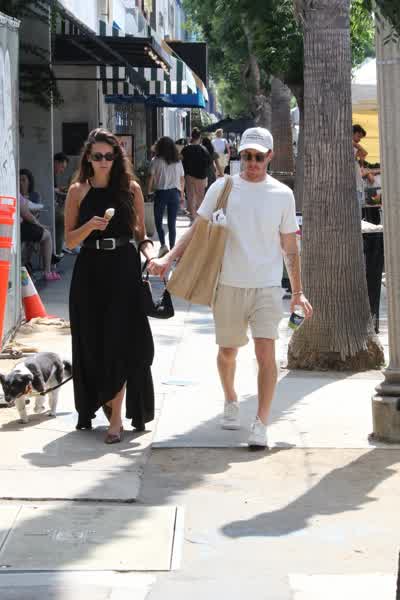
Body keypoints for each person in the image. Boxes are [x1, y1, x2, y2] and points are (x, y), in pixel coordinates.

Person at [150, 127, 313, 449]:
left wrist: (297, 292)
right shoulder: (223, 187)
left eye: (258, 157)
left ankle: (261, 423)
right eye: (247, 156)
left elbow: (290, 247)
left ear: (269, 157)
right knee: (227, 353)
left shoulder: (282, 194)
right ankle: (230, 399)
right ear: (240, 155)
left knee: (266, 354)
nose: (252, 162)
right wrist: (168, 257)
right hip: (227, 284)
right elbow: (198, 228)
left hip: (267, 287)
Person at [64, 128, 156, 443]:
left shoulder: (131, 189)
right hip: (90, 270)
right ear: (88, 159)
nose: (104, 161)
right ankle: (101, 402)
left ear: (117, 157)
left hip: (123, 268)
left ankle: (116, 419)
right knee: (92, 342)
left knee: (121, 341)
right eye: (97, 156)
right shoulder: (78, 191)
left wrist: (152, 256)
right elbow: (69, 240)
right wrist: (90, 226)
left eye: (109, 155)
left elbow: (141, 234)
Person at [147, 136, 185, 258]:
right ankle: (173, 249)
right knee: (171, 223)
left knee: (158, 221)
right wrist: (182, 194)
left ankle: (163, 245)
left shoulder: (155, 161)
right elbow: (182, 178)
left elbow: (151, 178)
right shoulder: (178, 161)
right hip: (174, 193)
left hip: (161, 193)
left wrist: (148, 191)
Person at [19, 194, 61, 281]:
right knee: (47, 235)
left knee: (36, 231)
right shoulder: (15, 193)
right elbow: (26, 214)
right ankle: (47, 272)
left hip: (17, 226)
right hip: (18, 227)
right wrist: (39, 225)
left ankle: (49, 257)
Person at [181, 128, 212, 221]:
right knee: (200, 196)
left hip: (189, 175)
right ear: (199, 137)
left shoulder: (185, 149)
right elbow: (208, 163)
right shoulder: (203, 149)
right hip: (201, 175)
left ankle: (193, 215)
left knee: (190, 195)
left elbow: (181, 161)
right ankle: (199, 217)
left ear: (192, 136)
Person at [54, 152, 69, 256]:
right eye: (62, 167)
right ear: (56, 162)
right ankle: (57, 252)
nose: (62, 170)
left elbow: (54, 189)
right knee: (62, 219)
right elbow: (50, 189)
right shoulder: (49, 172)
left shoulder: (53, 174)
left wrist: (60, 190)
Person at [352, 124, 367, 211]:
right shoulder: (352, 146)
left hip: (358, 186)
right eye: (358, 136)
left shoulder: (355, 147)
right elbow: (364, 153)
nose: (359, 140)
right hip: (355, 187)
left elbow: (364, 154)